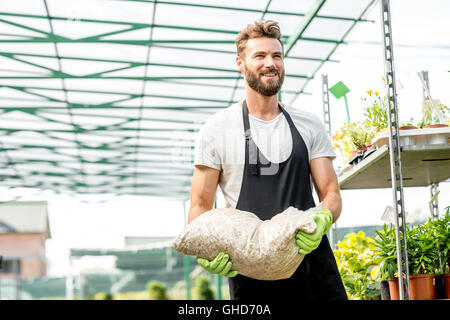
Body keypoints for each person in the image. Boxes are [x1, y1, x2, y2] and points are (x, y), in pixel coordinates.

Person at [187, 20, 347, 300]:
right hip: (251, 275)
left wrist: (323, 218)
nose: (270, 63)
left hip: (312, 268)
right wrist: (206, 250)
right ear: (241, 63)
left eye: (277, 55)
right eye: (259, 56)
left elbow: (331, 193)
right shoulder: (217, 129)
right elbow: (200, 205)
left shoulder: (309, 125)